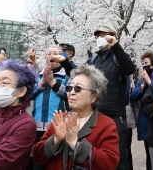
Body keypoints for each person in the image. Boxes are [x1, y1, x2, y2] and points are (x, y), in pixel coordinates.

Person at [53, 25, 135, 170]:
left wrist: (115, 46)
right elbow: (78, 75)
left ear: (112, 36)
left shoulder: (119, 56)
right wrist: (65, 62)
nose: (100, 38)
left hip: (115, 114)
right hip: (95, 114)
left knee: (119, 158)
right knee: (95, 155)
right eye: (98, 35)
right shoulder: (93, 59)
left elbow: (129, 69)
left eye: (104, 35)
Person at [32, 64, 120, 170]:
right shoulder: (60, 118)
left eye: (78, 88)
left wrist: (76, 144)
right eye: (70, 88)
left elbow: (109, 164)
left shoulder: (106, 125)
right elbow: (37, 156)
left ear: (94, 96)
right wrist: (56, 140)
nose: (71, 92)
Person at [28, 45, 70, 170]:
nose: (51, 55)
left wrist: (53, 83)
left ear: (61, 57)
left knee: (56, 160)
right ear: (46, 57)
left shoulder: (67, 76)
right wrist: (42, 83)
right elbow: (30, 95)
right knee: (38, 159)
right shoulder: (38, 76)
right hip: (37, 124)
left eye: (55, 53)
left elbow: (70, 96)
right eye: (49, 53)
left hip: (57, 126)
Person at [131, 51, 153, 170]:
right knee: (148, 152)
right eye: (143, 63)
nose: (144, 65)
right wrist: (143, 85)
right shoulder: (141, 79)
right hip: (145, 119)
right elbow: (133, 96)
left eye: (146, 63)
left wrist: (150, 83)